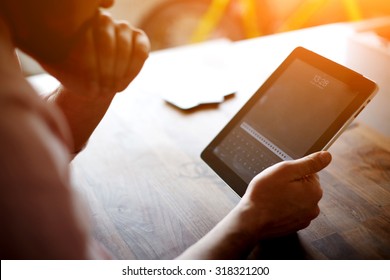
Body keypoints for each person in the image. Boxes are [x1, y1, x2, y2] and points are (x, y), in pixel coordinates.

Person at [0, 0, 332, 259]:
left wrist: (92, 88)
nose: (107, 3)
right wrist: (253, 218)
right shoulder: (11, 124)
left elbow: (31, 159)